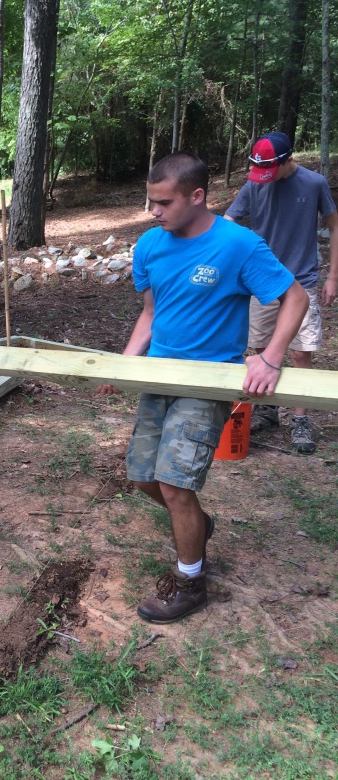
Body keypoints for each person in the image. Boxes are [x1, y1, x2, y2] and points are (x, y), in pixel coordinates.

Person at [97, 152, 308, 624]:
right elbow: (151, 314)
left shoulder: (239, 245)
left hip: (208, 383)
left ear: (197, 196)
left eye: (163, 203)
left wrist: (270, 358)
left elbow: (296, 297)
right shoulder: (150, 245)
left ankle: (191, 581)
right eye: (150, 202)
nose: (154, 212)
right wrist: (125, 364)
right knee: (141, 475)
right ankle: (199, 525)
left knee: (175, 484)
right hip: (159, 376)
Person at [224, 131, 338, 453]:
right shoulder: (255, 184)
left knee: (301, 353)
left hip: (302, 279)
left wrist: (333, 277)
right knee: (258, 349)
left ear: (290, 160)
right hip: (260, 282)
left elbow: (334, 224)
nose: (265, 179)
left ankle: (300, 419)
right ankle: (266, 409)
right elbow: (229, 220)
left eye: (271, 170)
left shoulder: (314, 183)